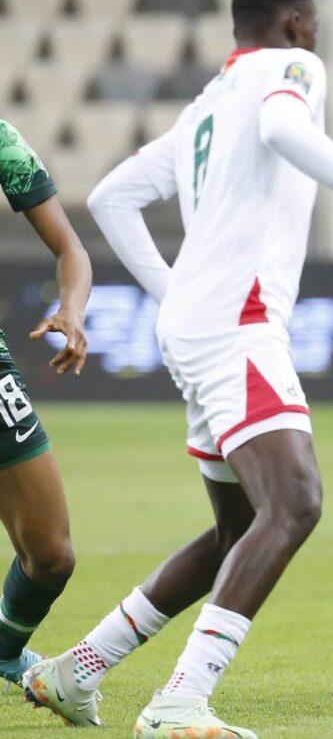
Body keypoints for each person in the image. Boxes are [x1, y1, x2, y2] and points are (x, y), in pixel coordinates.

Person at [22, 0, 333, 738]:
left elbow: (113, 196)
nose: (315, 41)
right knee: (296, 503)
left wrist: (173, 289)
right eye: (312, 28)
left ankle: (75, 670)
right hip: (237, 322)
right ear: (295, 23)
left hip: (196, 321)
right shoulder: (293, 68)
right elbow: (288, 128)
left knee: (237, 527)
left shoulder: (206, 105)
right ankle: (181, 699)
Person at [0, 120, 91, 687]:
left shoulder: (3, 143)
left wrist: (72, 310)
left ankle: (5, 652)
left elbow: (70, 248)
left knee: (52, 555)